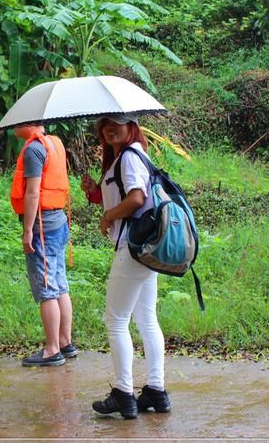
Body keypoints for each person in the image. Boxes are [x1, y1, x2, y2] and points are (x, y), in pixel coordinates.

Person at [80, 114, 171, 419]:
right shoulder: (126, 158)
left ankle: (123, 393)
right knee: (146, 318)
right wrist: (95, 192)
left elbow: (135, 198)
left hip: (132, 248)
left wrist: (107, 218)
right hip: (144, 249)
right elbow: (122, 198)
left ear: (132, 126)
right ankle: (156, 391)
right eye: (105, 122)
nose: (110, 126)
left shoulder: (130, 156)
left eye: (118, 121)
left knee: (116, 321)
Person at [10, 123, 76, 367]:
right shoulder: (54, 143)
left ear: (28, 122)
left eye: (18, 122)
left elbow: (33, 194)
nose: (14, 127)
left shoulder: (33, 150)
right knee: (59, 284)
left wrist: (27, 230)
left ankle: (52, 350)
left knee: (47, 287)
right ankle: (65, 342)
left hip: (42, 227)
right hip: (58, 222)